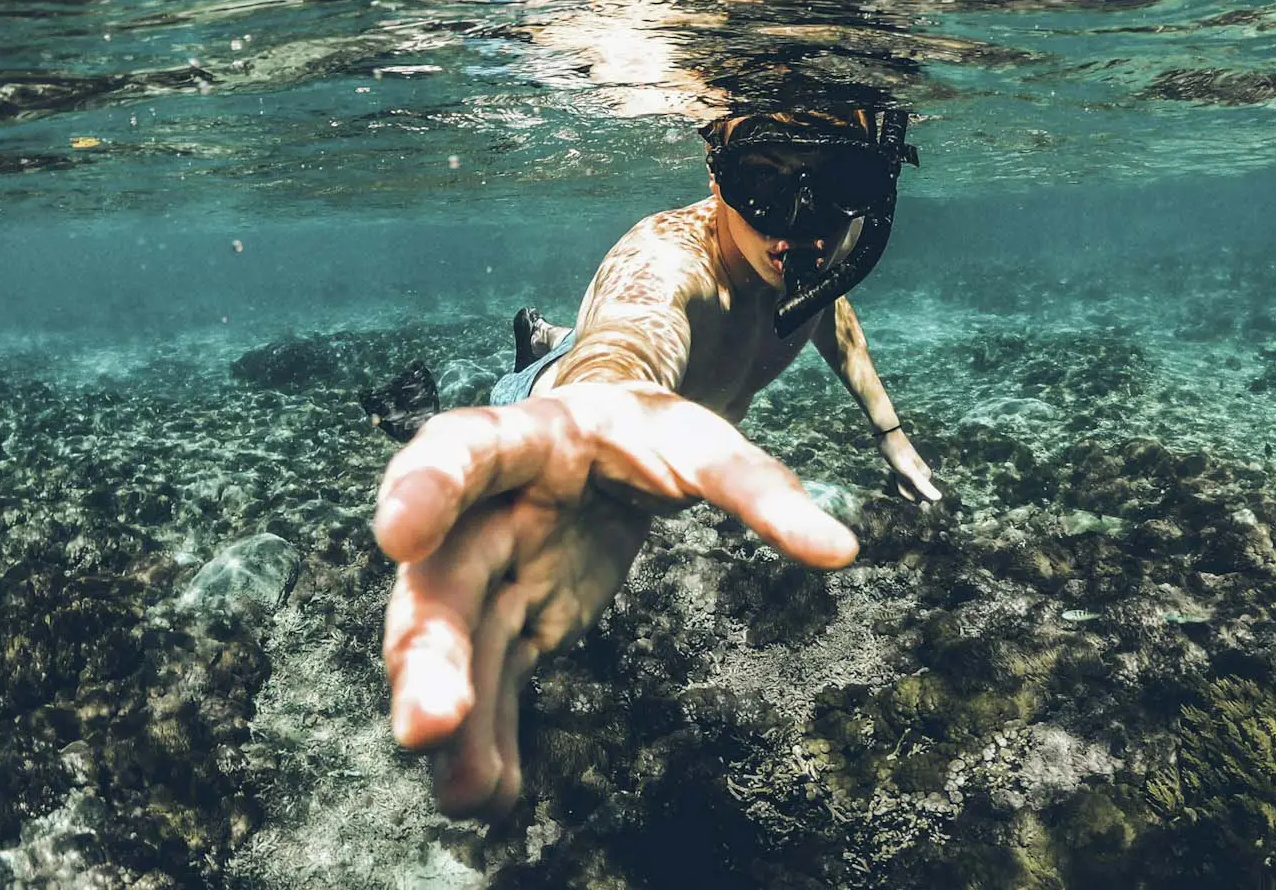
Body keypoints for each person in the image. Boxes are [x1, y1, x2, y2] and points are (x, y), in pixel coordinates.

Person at [371, 106, 941, 819]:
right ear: (717, 172)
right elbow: (631, 332)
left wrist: (889, 432)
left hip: (634, 412)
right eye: (762, 180)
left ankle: (551, 339)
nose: (800, 222)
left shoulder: (808, 261)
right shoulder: (669, 256)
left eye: (843, 181)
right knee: (449, 428)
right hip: (553, 407)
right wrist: (598, 397)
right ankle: (495, 372)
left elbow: (827, 310)